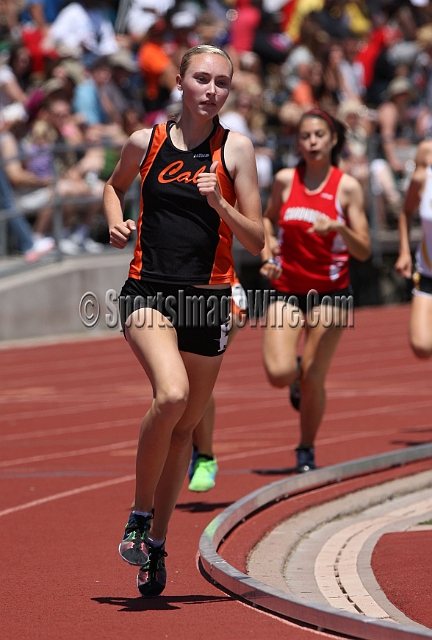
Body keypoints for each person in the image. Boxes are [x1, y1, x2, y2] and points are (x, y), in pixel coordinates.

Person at [103, 44, 264, 597]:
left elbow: (258, 239)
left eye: (222, 82)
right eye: (201, 78)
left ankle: (156, 544)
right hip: (147, 291)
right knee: (170, 397)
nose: (211, 89)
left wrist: (221, 204)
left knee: (185, 432)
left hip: (209, 300)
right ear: (179, 82)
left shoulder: (236, 150)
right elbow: (111, 186)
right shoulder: (144, 141)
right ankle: (138, 514)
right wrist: (114, 221)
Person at [260, 108, 370, 474]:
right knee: (278, 372)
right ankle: (296, 379)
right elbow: (267, 217)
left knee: (313, 378)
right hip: (287, 287)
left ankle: (305, 449)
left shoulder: (347, 187)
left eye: (319, 135)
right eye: (305, 136)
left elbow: (364, 250)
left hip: (331, 293)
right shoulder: (285, 180)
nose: (312, 142)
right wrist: (267, 248)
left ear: (333, 139)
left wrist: (338, 226)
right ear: (298, 142)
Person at [188, 274, 248, 492]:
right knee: (174, 385)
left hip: (221, 293)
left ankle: (204, 456)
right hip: (169, 290)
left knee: (197, 378)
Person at [395, 139, 432, 359]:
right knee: (421, 345)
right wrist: (404, 251)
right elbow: (406, 212)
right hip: (428, 272)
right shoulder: (423, 175)